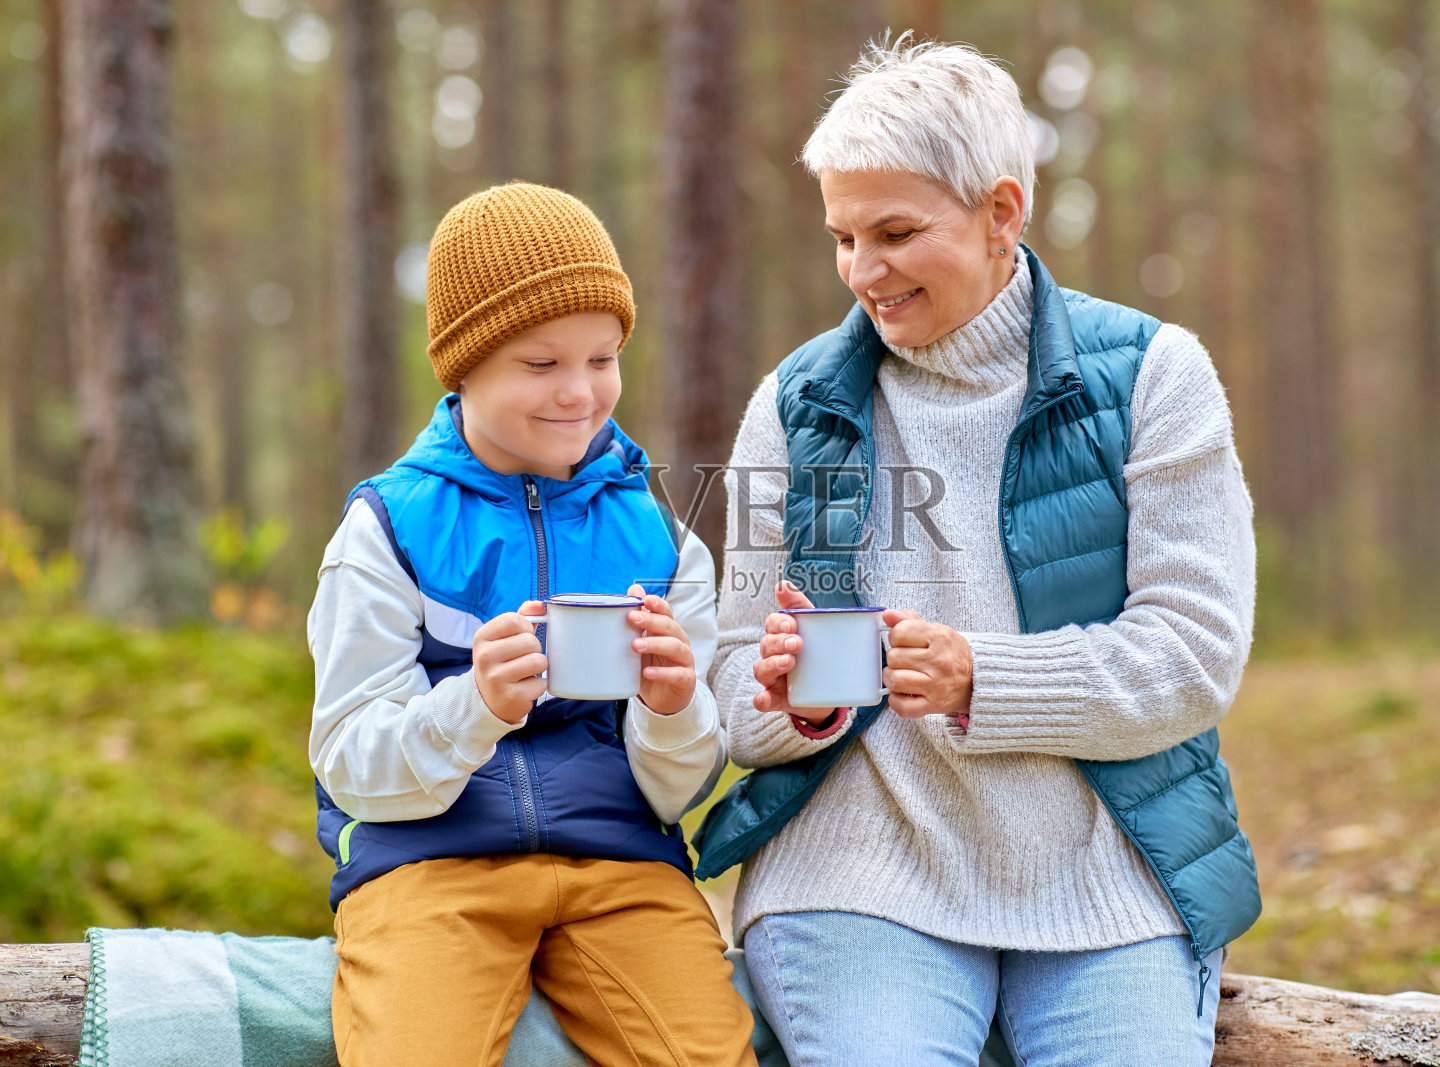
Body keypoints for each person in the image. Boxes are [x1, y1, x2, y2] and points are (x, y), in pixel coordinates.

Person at [700, 36, 1261, 1067]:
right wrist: (794, 703)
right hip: (853, 873)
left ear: (1002, 212)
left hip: (1108, 874)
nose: (863, 272)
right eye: (841, 236)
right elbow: (734, 678)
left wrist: (978, 675)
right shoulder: (793, 405)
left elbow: (1192, 658)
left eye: (897, 232)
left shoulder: (1153, 378)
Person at [307, 182, 756, 1067]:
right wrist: (472, 705)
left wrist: (672, 708)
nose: (580, 395)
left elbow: (677, 789)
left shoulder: (661, 542)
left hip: (624, 865)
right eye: (540, 365)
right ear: (463, 364)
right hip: (429, 862)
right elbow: (349, 760)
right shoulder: (389, 527)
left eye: (603, 358)